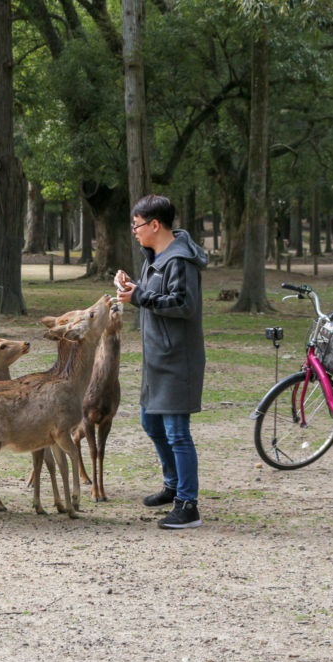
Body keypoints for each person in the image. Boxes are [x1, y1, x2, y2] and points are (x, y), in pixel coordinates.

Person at [114, 194, 207, 530]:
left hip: (177, 359)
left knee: (177, 432)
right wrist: (134, 288)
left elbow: (184, 304)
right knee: (151, 424)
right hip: (157, 359)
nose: (134, 232)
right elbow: (156, 295)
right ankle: (173, 485)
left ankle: (188, 504)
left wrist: (139, 296)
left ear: (155, 224)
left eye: (137, 225)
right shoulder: (156, 256)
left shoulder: (180, 260)